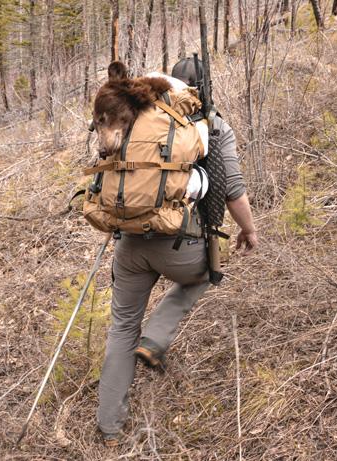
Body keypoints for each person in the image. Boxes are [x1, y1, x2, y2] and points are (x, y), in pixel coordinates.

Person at [96, 58, 258, 447]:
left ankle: (109, 429)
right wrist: (249, 229)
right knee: (206, 274)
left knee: (120, 330)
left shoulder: (134, 115)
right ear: (200, 90)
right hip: (178, 246)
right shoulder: (210, 125)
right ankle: (154, 339)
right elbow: (232, 188)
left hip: (131, 245)